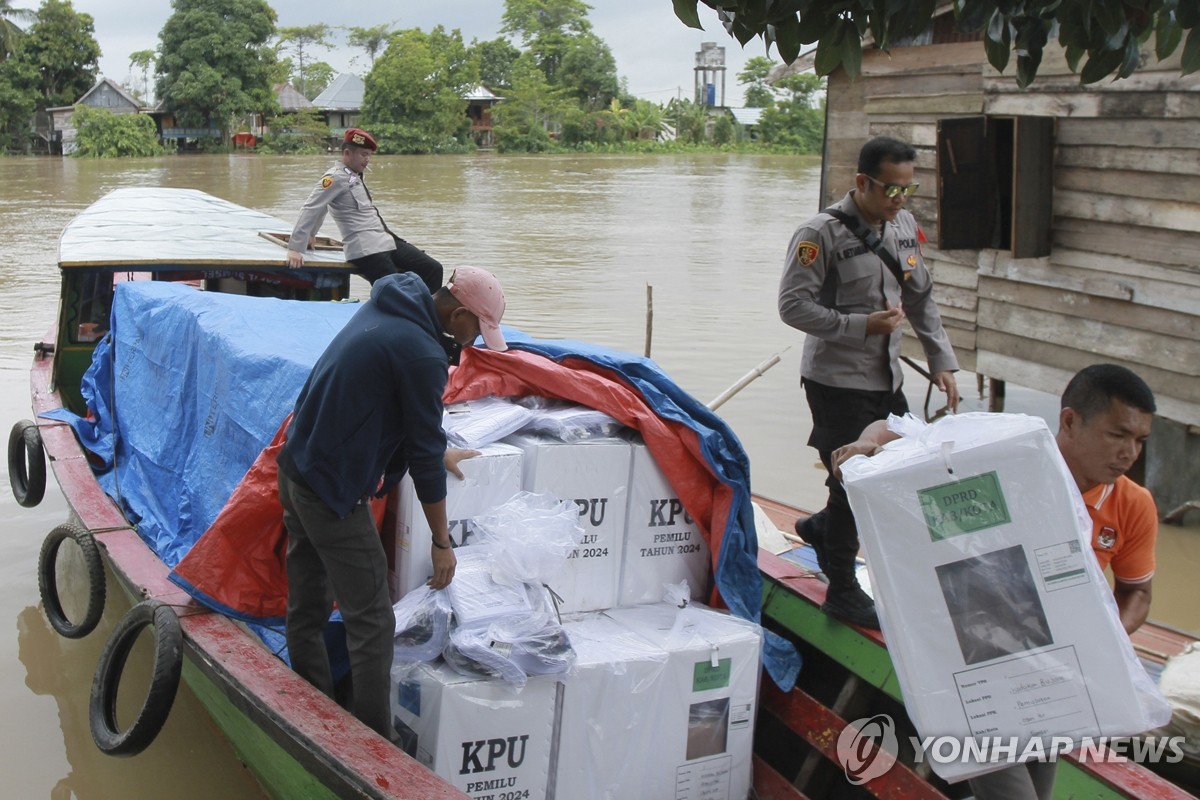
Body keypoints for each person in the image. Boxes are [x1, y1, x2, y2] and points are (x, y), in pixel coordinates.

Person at [832, 363, 1159, 800]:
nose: (1130, 453)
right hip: (973, 660)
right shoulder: (1005, 451)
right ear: (1069, 421)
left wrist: (1102, 635)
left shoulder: (1133, 505)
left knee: (1039, 791)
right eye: (1118, 435)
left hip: (1053, 667)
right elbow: (902, 429)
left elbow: (1137, 591)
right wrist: (867, 443)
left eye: (1140, 440)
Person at [276, 266, 508, 738]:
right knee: (372, 622)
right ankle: (371, 742)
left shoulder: (391, 306)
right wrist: (442, 543)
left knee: (308, 603)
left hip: (296, 467)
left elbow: (382, 401)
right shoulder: (421, 351)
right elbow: (422, 456)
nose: (473, 342)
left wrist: (435, 448)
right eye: (475, 331)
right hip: (330, 492)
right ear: (459, 312)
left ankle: (310, 707)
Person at [778, 135, 960, 629]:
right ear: (862, 182)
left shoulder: (902, 226)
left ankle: (819, 528)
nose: (900, 200)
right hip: (836, 381)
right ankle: (841, 588)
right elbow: (792, 306)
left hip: (886, 377)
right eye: (890, 190)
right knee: (856, 481)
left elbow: (919, 295)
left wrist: (942, 360)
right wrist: (860, 325)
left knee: (894, 472)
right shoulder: (820, 233)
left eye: (908, 189)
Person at [286, 127, 443, 293]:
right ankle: (405, 315)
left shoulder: (354, 176)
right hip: (366, 248)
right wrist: (296, 248)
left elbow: (323, 207)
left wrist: (312, 233)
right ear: (347, 153)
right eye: (363, 154)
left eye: (369, 155)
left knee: (433, 269)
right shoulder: (334, 177)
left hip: (386, 241)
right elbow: (312, 207)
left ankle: (427, 315)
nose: (367, 160)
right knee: (394, 291)